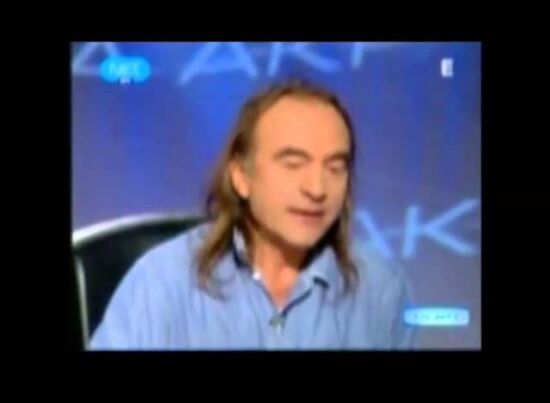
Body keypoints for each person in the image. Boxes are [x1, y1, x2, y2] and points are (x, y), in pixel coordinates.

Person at [89, 79, 414, 350]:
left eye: (335, 167)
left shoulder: (381, 288)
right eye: (293, 164)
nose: (317, 188)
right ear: (241, 176)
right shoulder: (161, 283)